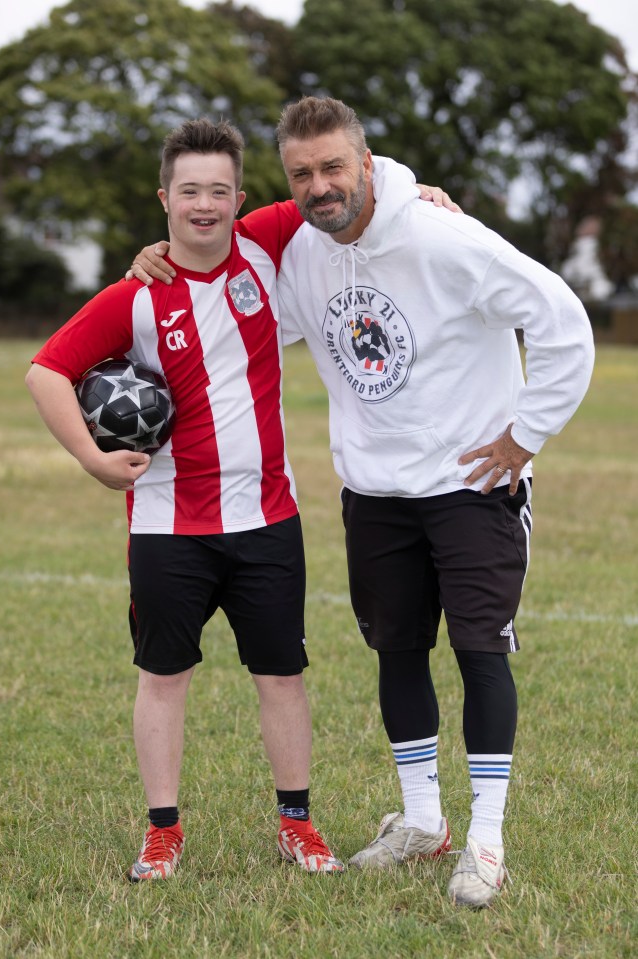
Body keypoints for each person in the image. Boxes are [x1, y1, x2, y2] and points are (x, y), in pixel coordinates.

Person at [130, 97, 595, 908]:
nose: (320, 186)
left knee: (480, 652)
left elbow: (562, 320)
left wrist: (526, 435)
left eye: (334, 167)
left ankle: (485, 839)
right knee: (397, 652)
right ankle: (423, 821)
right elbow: (230, 309)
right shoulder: (303, 255)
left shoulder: (443, 236)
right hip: (376, 493)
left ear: (368, 163)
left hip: (471, 484)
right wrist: (157, 257)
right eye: (302, 173)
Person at [26, 118, 349, 881]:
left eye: (219, 190)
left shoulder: (267, 245)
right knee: (164, 676)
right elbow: (45, 371)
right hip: (170, 525)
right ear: (165, 197)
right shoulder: (136, 294)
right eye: (189, 190)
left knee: (282, 675)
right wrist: (92, 461)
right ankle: (163, 830)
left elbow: (348, 181)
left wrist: (419, 191)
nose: (204, 204)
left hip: (268, 516)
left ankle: (296, 823)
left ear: (241, 197)